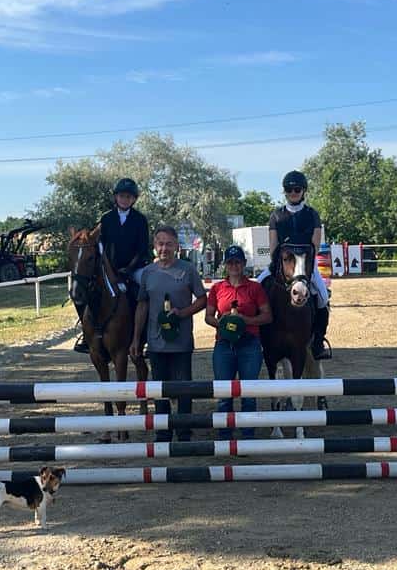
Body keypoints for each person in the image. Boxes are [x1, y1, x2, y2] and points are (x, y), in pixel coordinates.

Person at [130, 225, 207, 442]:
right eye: (160, 243)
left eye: (169, 244)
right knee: (159, 389)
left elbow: (202, 299)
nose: (164, 248)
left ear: (176, 246)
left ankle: (184, 432)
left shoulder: (188, 270)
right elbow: (142, 305)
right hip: (156, 342)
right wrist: (136, 338)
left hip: (181, 341)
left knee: (184, 389)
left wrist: (182, 313)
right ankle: (163, 431)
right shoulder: (148, 273)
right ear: (154, 246)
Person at [256, 170, 332, 360]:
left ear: (303, 190)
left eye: (297, 189)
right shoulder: (276, 216)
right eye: (289, 190)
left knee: (323, 298)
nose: (293, 193)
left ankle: (318, 342)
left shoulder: (312, 215)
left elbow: (315, 245)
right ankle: (257, 339)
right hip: (282, 264)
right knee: (256, 288)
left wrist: (307, 267)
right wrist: (278, 265)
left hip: (305, 265)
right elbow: (273, 245)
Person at [74, 177, 151, 353]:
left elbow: (141, 249)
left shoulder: (140, 220)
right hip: (110, 268)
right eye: (122, 196)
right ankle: (87, 335)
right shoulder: (106, 219)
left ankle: (149, 336)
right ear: (116, 197)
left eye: (128, 196)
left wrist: (129, 269)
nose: (125, 199)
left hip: (135, 267)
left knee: (148, 289)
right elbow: (101, 246)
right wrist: (109, 269)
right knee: (80, 291)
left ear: (134, 199)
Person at [205, 245, 272, 440]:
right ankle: (225, 435)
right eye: (230, 262)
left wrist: (246, 320)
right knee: (223, 393)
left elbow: (267, 316)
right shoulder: (217, 288)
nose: (234, 266)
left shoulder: (255, 287)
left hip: (249, 343)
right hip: (224, 343)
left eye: (238, 262)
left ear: (243, 264)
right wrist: (222, 323)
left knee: (248, 393)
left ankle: (247, 435)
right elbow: (208, 316)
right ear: (225, 265)